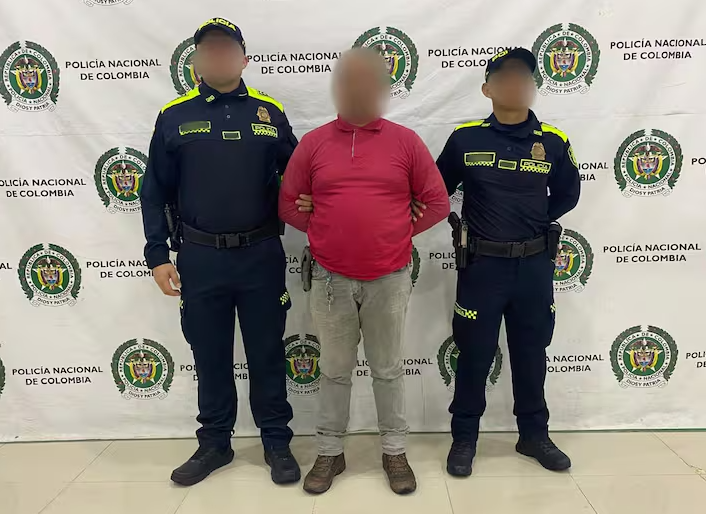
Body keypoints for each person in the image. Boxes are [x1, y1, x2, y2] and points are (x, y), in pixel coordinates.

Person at [279, 47, 450, 495]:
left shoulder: (405, 142)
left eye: (368, 81)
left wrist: (395, 230)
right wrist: (326, 230)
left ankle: (394, 451)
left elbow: (437, 203)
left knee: (387, 369)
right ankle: (329, 452)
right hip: (330, 279)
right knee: (334, 371)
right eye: (349, 80)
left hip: (389, 278)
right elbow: (288, 204)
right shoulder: (314, 143)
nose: (358, 89)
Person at [140, 17, 300, 486]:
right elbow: (153, 191)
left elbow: (301, 176)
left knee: (267, 352)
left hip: (261, 254)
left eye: (227, 49)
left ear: (244, 59)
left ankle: (276, 441)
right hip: (201, 257)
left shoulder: (269, 112)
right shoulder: (174, 115)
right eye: (209, 50)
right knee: (209, 354)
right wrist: (157, 254)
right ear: (196, 62)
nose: (218, 56)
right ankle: (214, 443)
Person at [435, 48, 580, 476]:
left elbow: (568, 194)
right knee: (474, 353)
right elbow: (436, 189)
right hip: (482, 267)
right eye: (506, 78)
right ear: (488, 89)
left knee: (531, 352)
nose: (516, 85)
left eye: (524, 78)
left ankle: (533, 435)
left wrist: (532, 223)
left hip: (533, 267)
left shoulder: (553, 141)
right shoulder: (465, 139)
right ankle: (464, 438)